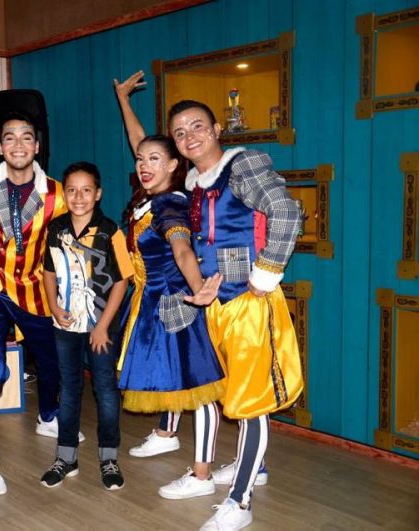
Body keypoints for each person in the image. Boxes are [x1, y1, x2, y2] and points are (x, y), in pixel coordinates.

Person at [117, 72, 304, 530]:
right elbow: (145, 148)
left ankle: (238, 503)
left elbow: (287, 210)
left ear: (218, 129)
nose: (188, 136)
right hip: (213, 305)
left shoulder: (243, 164)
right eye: (180, 132)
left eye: (197, 126)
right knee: (229, 392)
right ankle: (252, 468)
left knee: (250, 401)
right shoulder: (196, 183)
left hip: (247, 302)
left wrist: (266, 274)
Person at [0, 111, 69, 495]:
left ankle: (48, 415)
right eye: (10, 137)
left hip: (33, 289)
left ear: (37, 147)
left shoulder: (56, 193)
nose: (18, 144)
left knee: (52, 361)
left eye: (26, 138)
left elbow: (66, 245)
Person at [114, 133, 224, 500]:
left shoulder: (169, 206)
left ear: (175, 165)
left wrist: (199, 292)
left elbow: (182, 251)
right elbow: (141, 143)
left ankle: (202, 474)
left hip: (176, 303)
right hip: (152, 302)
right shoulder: (150, 201)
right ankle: (166, 435)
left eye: (155, 160)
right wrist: (125, 100)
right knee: (174, 376)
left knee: (200, 389)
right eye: (140, 159)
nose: (144, 165)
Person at [39, 162, 133, 491]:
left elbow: (122, 282)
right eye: (72, 190)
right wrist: (53, 306)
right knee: (68, 390)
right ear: (64, 193)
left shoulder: (111, 231)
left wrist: (103, 326)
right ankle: (66, 456)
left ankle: (109, 457)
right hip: (65, 324)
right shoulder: (56, 228)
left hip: (101, 327)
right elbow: (48, 271)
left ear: (98, 194)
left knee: (105, 391)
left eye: (86, 190)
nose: (79, 196)